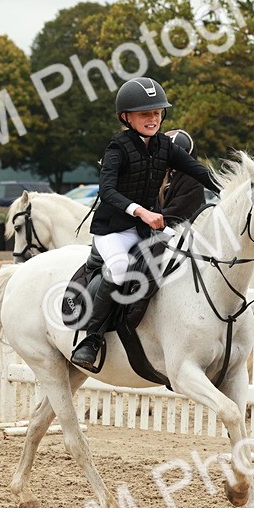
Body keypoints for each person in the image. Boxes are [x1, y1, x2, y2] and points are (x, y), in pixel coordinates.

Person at [70, 77, 220, 370]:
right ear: (126, 117)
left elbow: (198, 171)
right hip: (113, 230)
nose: (153, 119)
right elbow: (107, 191)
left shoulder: (164, 145)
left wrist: (230, 189)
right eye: (144, 114)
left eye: (157, 113)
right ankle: (91, 339)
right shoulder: (117, 148)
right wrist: (141, 212)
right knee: (119, 269)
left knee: (183, 256)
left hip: (145, 228)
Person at [157, 129, 206, 223]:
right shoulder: (158, 173)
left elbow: (177, 212)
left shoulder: (193, 180)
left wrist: (149, 216)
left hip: (183, 229)